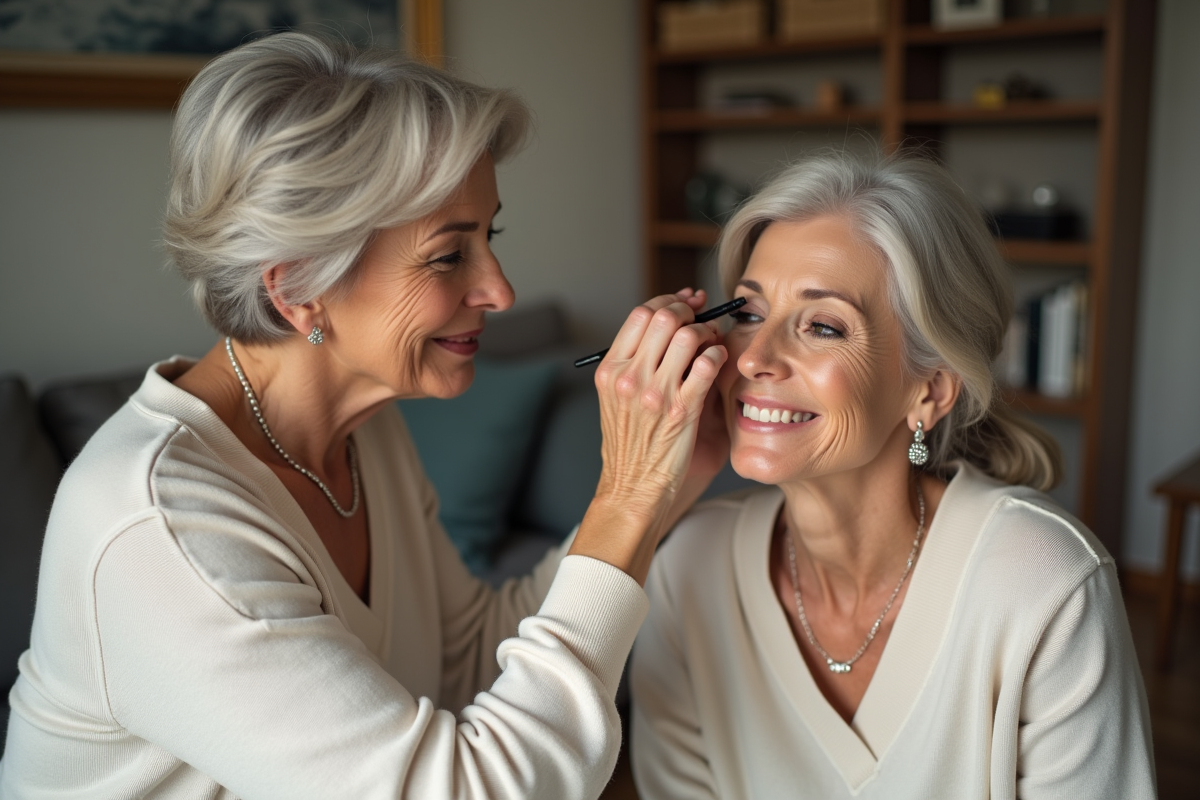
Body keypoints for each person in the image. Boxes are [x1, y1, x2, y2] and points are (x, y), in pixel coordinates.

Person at [0, 33, 730, 799]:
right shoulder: (162, 524)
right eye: (449, 255)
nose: (500, 290)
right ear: (299, 288)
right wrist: (628, 494)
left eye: (491, 237)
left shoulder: (363, 430)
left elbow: (471, 656)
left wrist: (668, 486)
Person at [630, 153, 1156, 800]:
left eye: (823, 325)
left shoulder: (1044, 584)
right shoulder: (686, 569)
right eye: (747, 313)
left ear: (930, 391)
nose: (756, 359)